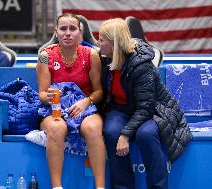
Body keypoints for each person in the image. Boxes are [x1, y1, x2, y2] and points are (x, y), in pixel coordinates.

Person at [98, 18, 192, 189]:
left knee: (145, 135)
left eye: (102, 40)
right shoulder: (104, 58)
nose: (98, 44)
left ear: (114, 43)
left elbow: (146, 106)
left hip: (152, 110)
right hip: (120, 108)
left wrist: (125, 135)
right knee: (111, 132)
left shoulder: (142, 65)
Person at [36, 13, 105, 189]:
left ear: (80, 32)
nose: (68, 33)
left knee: (93, 127)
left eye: (72, 28)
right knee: (57, 128)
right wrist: (51, 96)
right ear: (56, 32)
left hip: (84, 108)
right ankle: (57, 186)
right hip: (55, 109)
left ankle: (100, 186)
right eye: (63, 28)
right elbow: (42, 94)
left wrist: (85, 102)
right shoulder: (45, 55)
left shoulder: (91, 55)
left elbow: (99, 92)